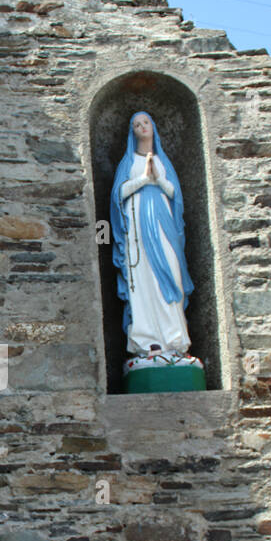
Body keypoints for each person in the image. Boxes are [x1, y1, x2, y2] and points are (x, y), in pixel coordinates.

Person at [110, 111, 199, 369]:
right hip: (136, 231)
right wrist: (142, 180)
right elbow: (117, 195)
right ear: (132, 131)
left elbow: (175, 195)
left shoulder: (163, 162)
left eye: (145, 122)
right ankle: (146, 340)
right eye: (136, 124)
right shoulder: (128, 162)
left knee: (170, 276)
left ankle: (175, 340)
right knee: (142, 279)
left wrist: (157, 179)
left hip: (163, 228)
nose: (142, 127)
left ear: (153, 126)